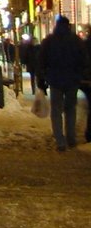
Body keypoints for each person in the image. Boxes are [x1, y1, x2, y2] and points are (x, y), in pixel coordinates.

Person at [38, 16, 88, 152]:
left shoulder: (49, 41)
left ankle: (60, 140)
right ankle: (71, 138)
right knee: (71, 109)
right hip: (72, 80)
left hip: (55, 80)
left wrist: (42, 78)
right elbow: (84, 60)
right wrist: (79, 75)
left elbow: (42, 61)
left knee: (56, 110)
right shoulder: (76, 40)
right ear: (68, 26)